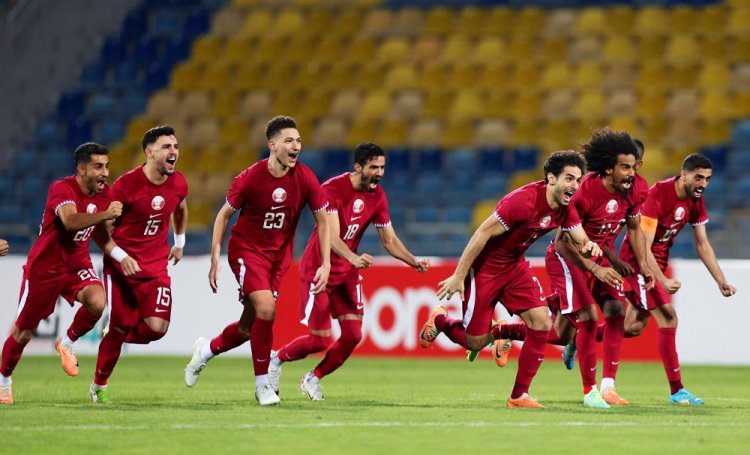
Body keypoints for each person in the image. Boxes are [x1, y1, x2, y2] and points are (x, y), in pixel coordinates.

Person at [420, 150, 602, 409]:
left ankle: (518, 396)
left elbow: (580, 238)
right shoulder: (523, 201)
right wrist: (460, 275)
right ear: (551, 178)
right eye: (569, 179)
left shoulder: (565, 207)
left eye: (578, 180)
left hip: (515, 266)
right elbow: (481, 233)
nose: (574, 186)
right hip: (484, 269)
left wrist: (590, 247)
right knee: (475, 341)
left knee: (541, 323)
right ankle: (440, 319)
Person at [184, 115, 330, 406]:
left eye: (299, 140)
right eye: (289, 140)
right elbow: (224, 215)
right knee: (267, 307)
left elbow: (323, 221)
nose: (296, 145)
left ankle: (204, 352)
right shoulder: (250, 177)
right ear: (272, 145)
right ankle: (262, 385)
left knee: (247, 328)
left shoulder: (305, 177)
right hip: (247, 252)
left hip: (278, 260)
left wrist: (326, 263)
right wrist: (215, 254)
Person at [268, 143, 429, 401]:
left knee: (353, 335)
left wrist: (413, 261)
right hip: (319, 269)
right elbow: (330, 235)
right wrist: (353, 257)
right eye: (373, 167)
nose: (379, 173)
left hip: (347, 272)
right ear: (358, 167)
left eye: (382, 167)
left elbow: (389, 240)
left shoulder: (378, 197)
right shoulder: (331, 189)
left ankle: (313, 378)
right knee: (320, 340)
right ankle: (275, 360)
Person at [0, 143, 122, 405]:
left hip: (77, 263)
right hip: (45, 268)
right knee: (23, 332)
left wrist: (119, 253)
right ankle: (4, 381)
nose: (105, 172)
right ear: (81, 169)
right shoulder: (62, 189)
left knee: (97, 302)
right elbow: (69, 221)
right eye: (98, 166)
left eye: (107, 166)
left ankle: (66, 342)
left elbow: (100, 230)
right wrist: (106, 214)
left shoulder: (104, 193)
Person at [545, 128, 653, 408]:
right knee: (564, 331)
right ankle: (504, 332)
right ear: (608, 169)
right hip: (569, 259)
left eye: (634, 167)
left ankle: (607, 387)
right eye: (625, 168)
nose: (632, 173)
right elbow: (562, 243)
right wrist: (595, 268)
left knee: (617, 311)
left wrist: (642, 265)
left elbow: (634, 228)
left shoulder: (635, 190)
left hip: (599, 260)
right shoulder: (583, 192)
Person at [617, 154, 735, 405]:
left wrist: (720, 280)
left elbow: (702, 244)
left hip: (655, 264)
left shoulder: (696, 200)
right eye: (698, 177)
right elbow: (644, 247)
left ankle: (577, 336)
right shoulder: (657, 195)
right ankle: (677, 390)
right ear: (684, 174)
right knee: (669, 317)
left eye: (708, 179)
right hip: (636, 263)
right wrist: (662, 280)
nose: (703, 183)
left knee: (632, 328)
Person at [89, 126, 188, 404]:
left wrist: (179, 241)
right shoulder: (125, 186)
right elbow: (100, 228)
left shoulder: (179, 182)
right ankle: (99, 384)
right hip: (121, 266)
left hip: (155, 266)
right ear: (149, 152)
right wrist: (121, 256)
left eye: (176, 146)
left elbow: (180, 206)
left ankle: (115, 335)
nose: (173, 152)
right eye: (167, 146)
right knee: (121, 323)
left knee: (157, 328)